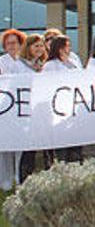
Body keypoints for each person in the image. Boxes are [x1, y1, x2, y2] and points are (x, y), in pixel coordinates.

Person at [43, 35, 85, 163]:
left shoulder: (74, 61)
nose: (69, 49)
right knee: (62, 149)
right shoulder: (49, 65)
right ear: (60, 48)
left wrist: (68, 61)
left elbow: (82, 76)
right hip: (59, 110)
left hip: (75, 108)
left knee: (76, 148)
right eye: (66, 46)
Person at [17, 34, 48, 183]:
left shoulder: (45, 65)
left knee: (47, 149)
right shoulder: (19, 65)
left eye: (41, 46)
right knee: (28, 151)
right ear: (28, 47)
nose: (39, 49)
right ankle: (24, 181)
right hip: (27, 114)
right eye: (36, 46)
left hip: (44, 113)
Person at [0, 29, 25, 191]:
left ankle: (19, 177)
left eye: (14, 42)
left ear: (20, 44)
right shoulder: (1, 61)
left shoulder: (25, 61)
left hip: (21, 108)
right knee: (5, 146)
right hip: (4, 108)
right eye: (8, 43)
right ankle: (6, 181)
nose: (11, 46)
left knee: (20, 145)